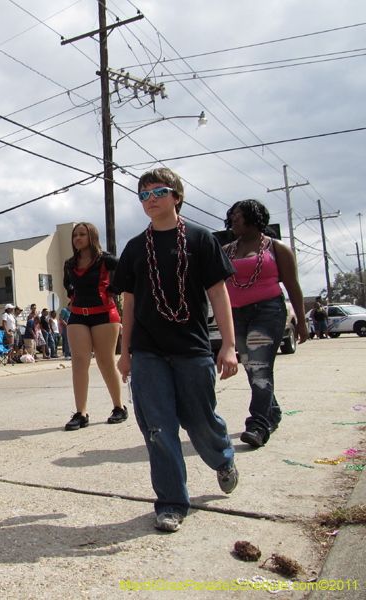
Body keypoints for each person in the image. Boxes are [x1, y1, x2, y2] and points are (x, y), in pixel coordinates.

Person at [111, 168, 239, 533]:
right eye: (144, 194)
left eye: (158, 192)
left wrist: (228, 346)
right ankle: (170, 502)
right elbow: (129, 302)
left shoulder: (201, 240)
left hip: (192, 348)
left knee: (200, 421)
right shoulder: (136, 247)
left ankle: (222, 458)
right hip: (149, 351)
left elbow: (218, 294)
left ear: (177, 196)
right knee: (158, 429)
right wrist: (126, 351)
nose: (150, 199)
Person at [223, 200, 309, 448]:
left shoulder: (277, 248)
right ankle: (272, 412)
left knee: (260, 367)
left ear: (255, 218)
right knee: (251, 367)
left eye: (240, 215)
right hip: (236, 315)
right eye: (233, 216)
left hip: (268, 311)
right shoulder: (226, 249)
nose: (235, 220)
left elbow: (293, 286)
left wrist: (302, 322)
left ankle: (258, 425)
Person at [63, 222, 127, 430]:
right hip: (78, 315)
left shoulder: (106, 260)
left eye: (82, 234)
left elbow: (126, 270)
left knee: (105, 361)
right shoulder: (70, 263)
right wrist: (71, 292)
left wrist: (115, 288)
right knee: (79, 362)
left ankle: (119, 407)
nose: (77, 238)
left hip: (105, 315)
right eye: (75, 235)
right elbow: (67, 283)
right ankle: (81, 413)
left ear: (92, 237)